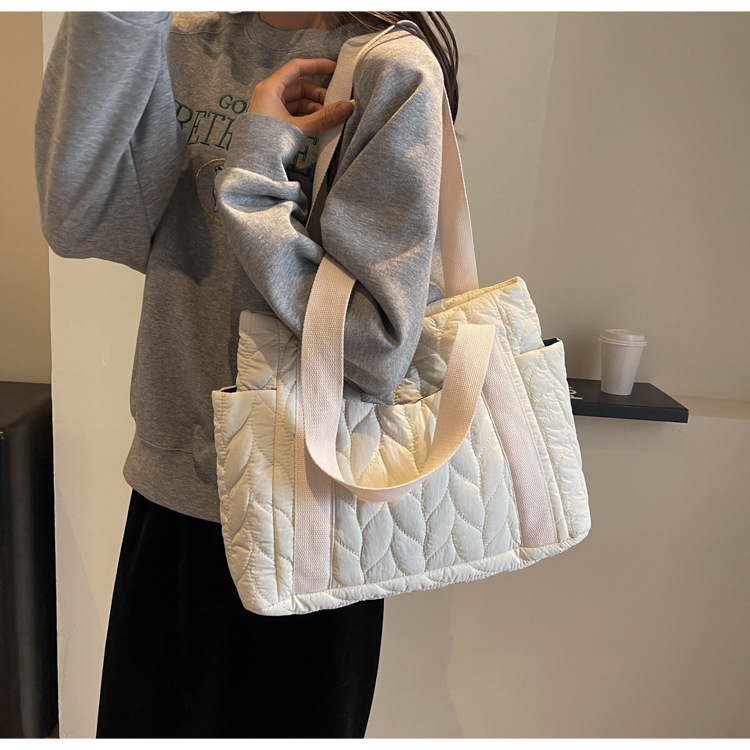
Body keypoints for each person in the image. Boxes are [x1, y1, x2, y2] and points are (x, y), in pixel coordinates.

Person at [35, 10, 459, 739]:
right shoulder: (182, 43)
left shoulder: (392, 69)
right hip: (174, 488)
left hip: (313, 509)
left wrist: (259, 160)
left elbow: (375, 343)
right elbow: (83, 224)